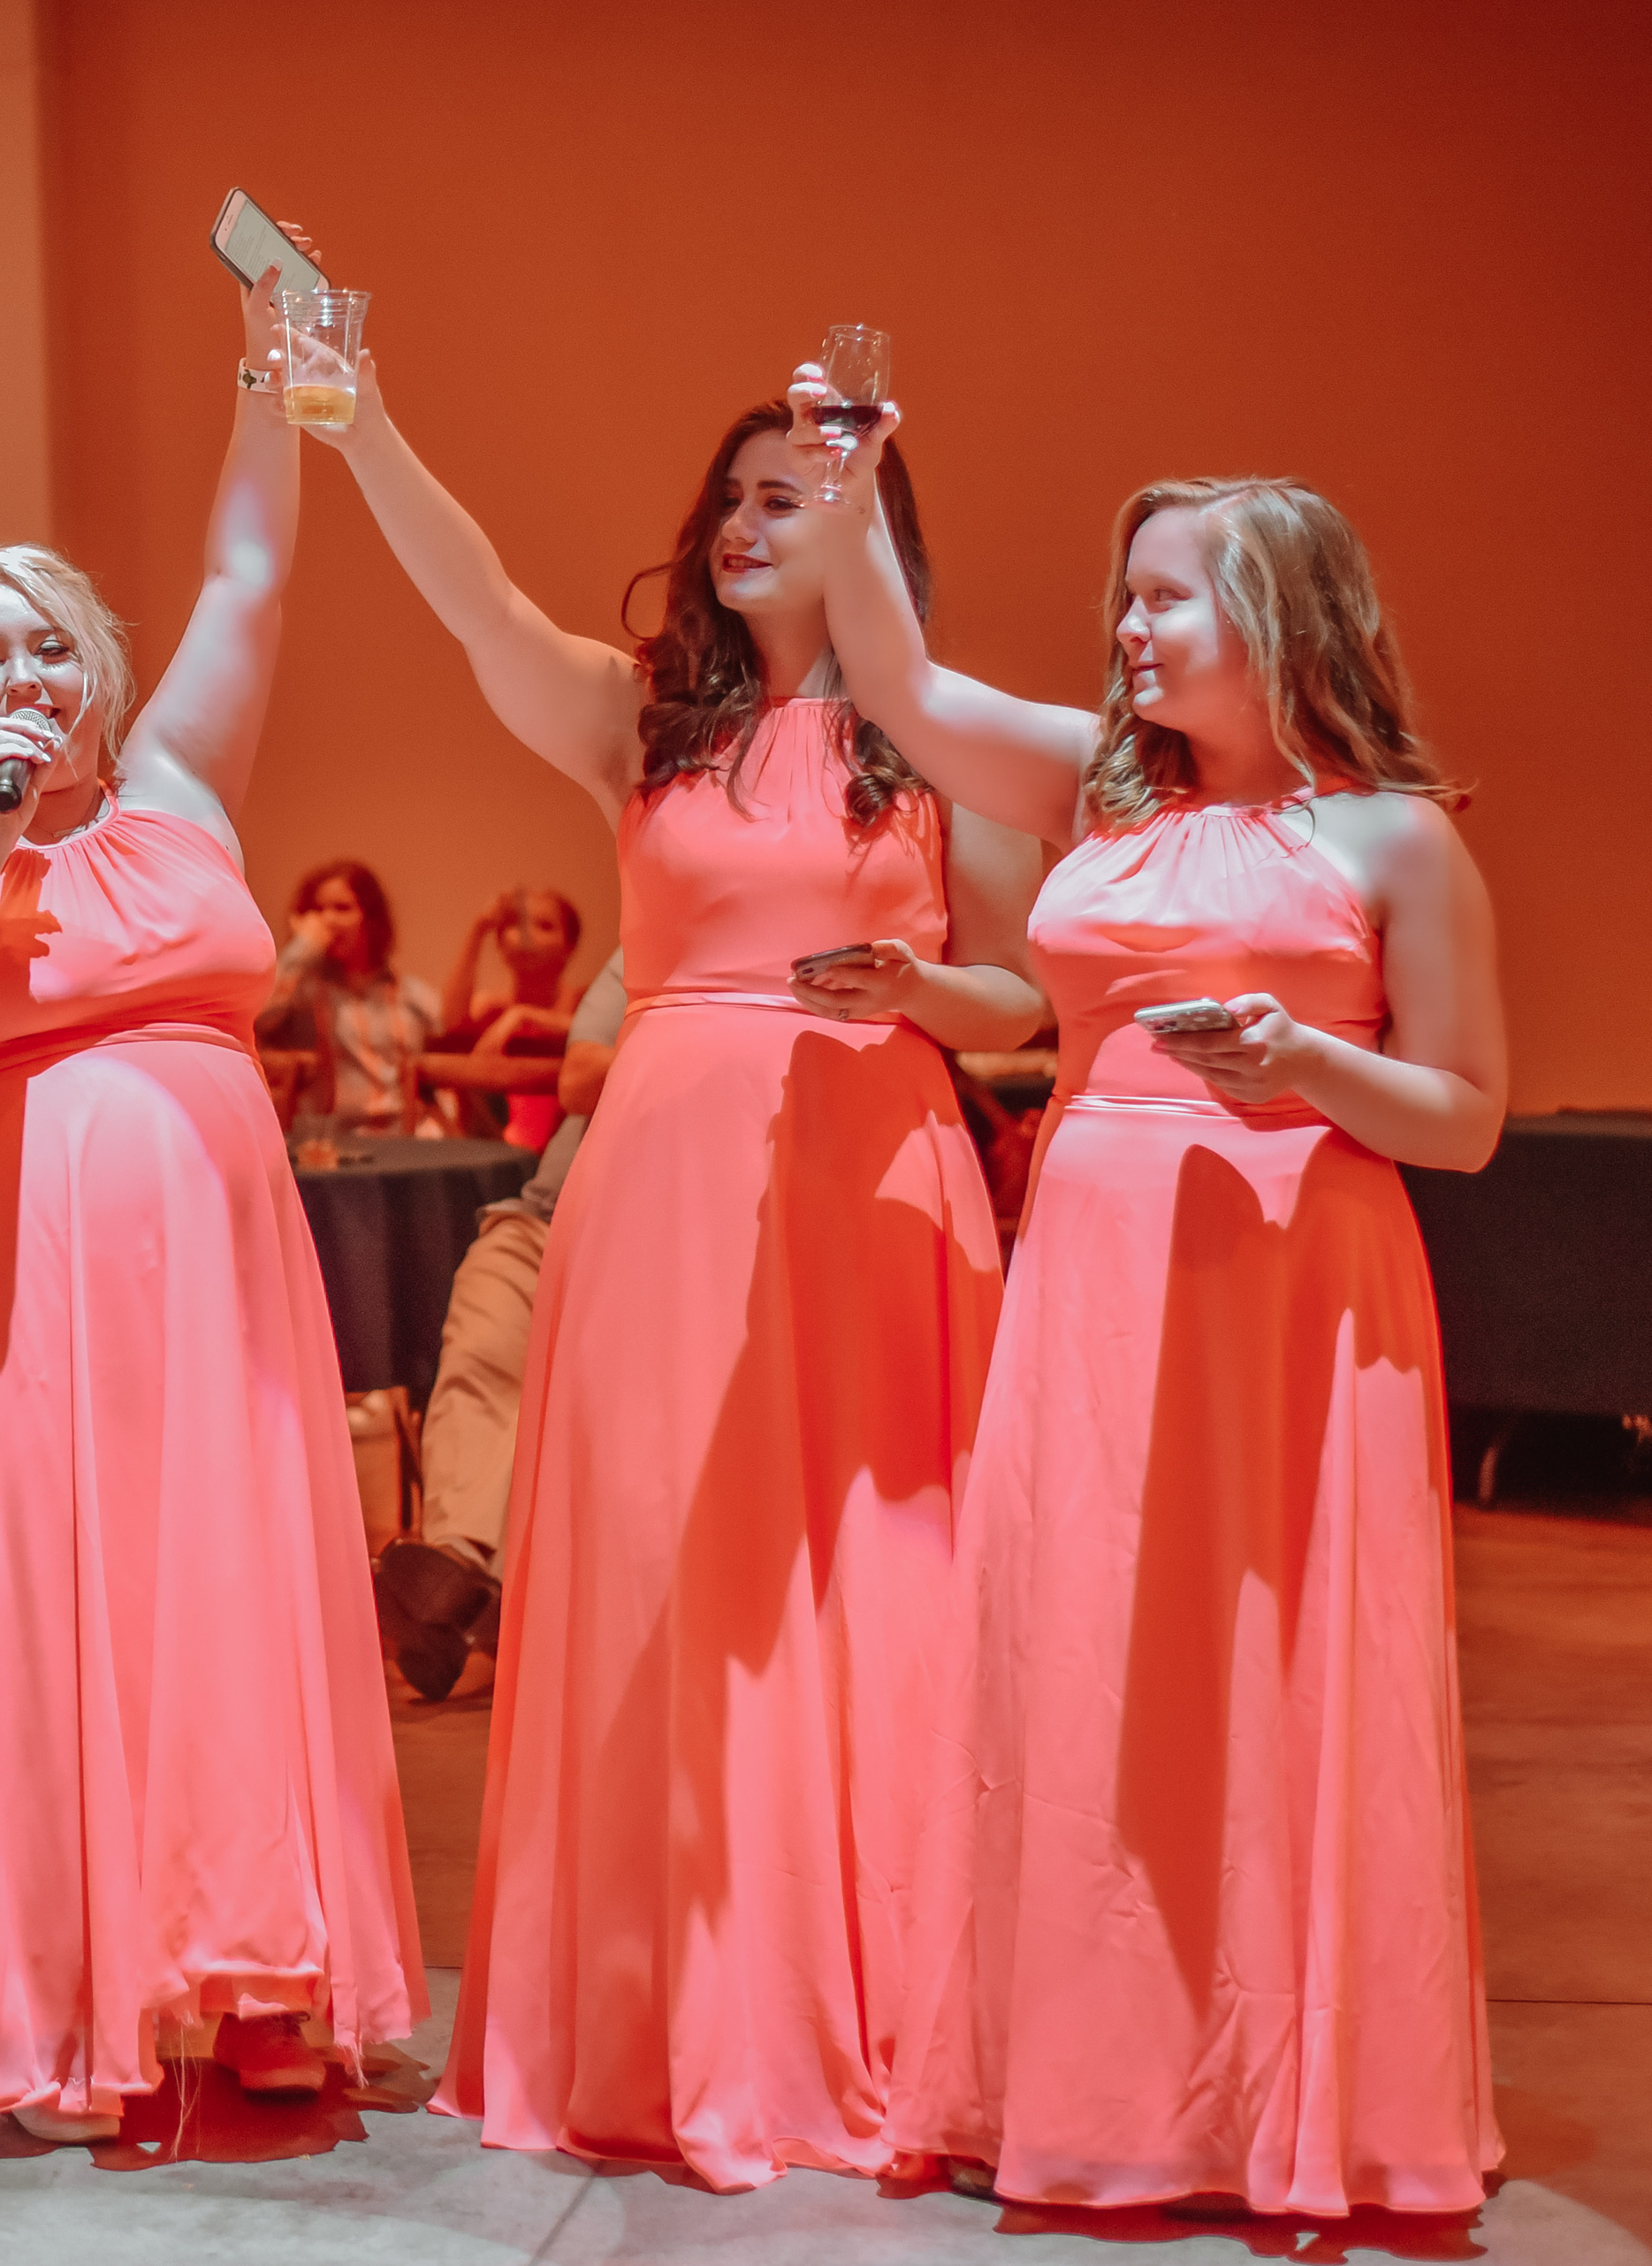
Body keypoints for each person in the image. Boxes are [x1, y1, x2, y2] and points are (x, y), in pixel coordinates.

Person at [313, 346, 1047, 2185]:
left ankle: (882, 2008)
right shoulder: (646, 725)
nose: (739, 521)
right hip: (664, 1184)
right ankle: (669, 2006)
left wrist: (921, 990)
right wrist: (362, 418)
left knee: (876, 1580)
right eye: (729, 495)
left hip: (872, 1177)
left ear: (865, 522)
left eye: (783, 494)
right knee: (664, 1574)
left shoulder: (939, 744)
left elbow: (1025, 995)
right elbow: (478, 603)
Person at [796, 378, 1505, 2215]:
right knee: (1098, 1658)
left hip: (1296, 1279)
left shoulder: (1394, 839)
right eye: (1129, 594)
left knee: (1279, 1667)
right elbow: (900, 685)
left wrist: (1306, 1062)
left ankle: (1290, 2097)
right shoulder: (1095, 794)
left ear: (1276, 614)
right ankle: (1101, 2082)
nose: (1127, 624)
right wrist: (850, 480)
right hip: (1099, 1276)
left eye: (1166, 595)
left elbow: (1468, 1116)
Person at [0, 248, 425, 2149]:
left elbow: (247, 572)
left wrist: (269, 368)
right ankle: (59, 2004)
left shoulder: (181, 789)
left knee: (222, 1596)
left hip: (214, 1290)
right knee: (36, 1615)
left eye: (47, 647)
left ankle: (250, 1986)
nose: (22, 681)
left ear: (99, 663)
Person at [377, 947, 625, 1702]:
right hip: (543, 1218)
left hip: (653, 1236)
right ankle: (463, 1577)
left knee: (558, 1385)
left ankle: (461, 1585)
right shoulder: (639, 956)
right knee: (482, 1343)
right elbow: (579, 1077)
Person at [258, 858, 443, 1134]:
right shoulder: (302, 993)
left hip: (405, 1139)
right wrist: (302, 947)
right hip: (330, 1139)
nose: (328, 920)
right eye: (318, 910)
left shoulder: (407, 993)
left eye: (341, 908)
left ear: (369, 917)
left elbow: (451, 1032)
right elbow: (258, 1016)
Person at [426, 886, 582, 1148]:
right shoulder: (489, 1009)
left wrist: (523, 1016)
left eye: (544, 926)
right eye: (515, 925)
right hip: (488, 1152)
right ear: (500, 943)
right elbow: (450, 1023)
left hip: (567, 1154)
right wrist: (479, 930)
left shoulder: (582, 1003)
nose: (526, 936)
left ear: (569, 946)